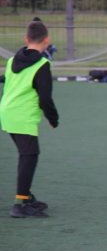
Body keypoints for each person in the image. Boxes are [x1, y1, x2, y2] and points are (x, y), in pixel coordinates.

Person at [0, 20, 59, 218]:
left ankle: (26, 196)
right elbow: (45, 98)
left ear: (26, 39)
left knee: (26, 154)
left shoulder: (11, 60)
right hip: (22, 116)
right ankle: (20, 204)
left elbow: (8, 80)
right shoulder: (42, 65)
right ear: (47, 40)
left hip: (6, 113)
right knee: (30, 155)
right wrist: (53, 119)